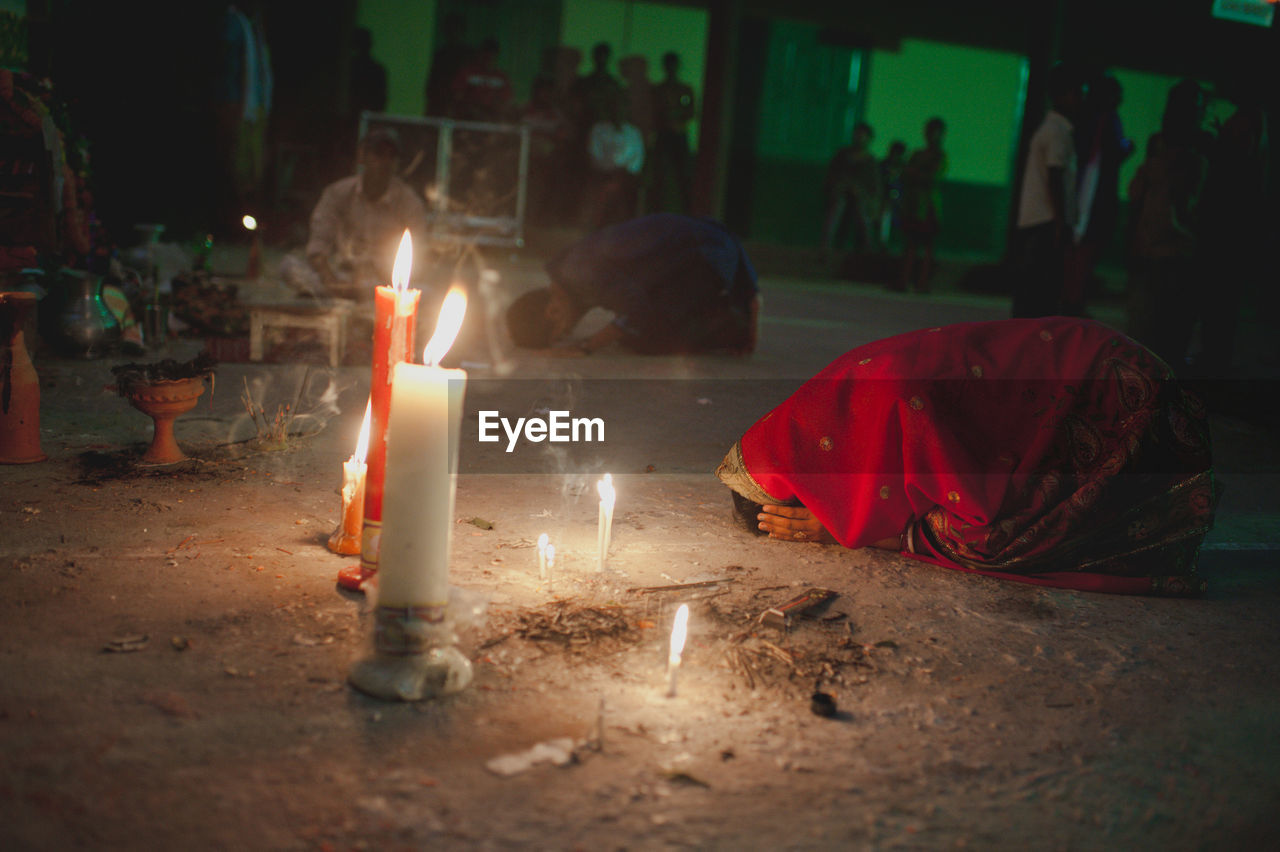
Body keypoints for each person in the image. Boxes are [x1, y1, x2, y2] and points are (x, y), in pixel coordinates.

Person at [717, 317, 1217, 597]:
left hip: (1137, 404)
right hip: (1109, 358)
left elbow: (976, 522)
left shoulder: (898, 401)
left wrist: (857, 532)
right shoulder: (842, 390)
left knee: (1003, 542)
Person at [506, 213, 759, 356]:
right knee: (630, 335)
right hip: (715, 244)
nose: (572, 329)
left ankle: (729, 326)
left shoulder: (580, 274)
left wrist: (585, 347)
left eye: (563, 330)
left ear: (553, 311)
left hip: (705, 257)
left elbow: (636, 311)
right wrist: (749, 289)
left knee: (648, 338)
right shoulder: (567, 267)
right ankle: (729, 312)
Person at [279, 127, 429, 300]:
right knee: (289, 267)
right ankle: (338, 297)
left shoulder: (408, 202)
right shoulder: (338, 193)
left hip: (384, 284)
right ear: (362, 156)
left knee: (427, 293)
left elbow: (418, 249)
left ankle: (351, 298)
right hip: (340, 278)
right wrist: (331, 281)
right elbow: (318, 245)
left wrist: (385, 281)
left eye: (392, 156)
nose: (385, 161)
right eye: (379, 153)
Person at [1125, 80, 1212, 374]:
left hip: (1170, 250)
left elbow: (1140, 195)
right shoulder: (1182, 150)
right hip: (1165, 250)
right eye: (1196, 107)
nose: (1199, 113)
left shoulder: (1188, 150)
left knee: (1156, 337)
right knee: (1158, 337)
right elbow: (1140, 194)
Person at [1011, 62, 1084, 318]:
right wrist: (1060, 221)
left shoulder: (1051, 128)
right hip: (1046, 220)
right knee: (1040, 292)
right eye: (1077, 93)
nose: (1080, 100)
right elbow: (1055, 175)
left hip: (1041, 219)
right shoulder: (1057, 131)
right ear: (1063, 95)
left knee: (1032, 290)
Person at [1064, 73, 1132, 317]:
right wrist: (1127, 148)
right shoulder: (1108, 120)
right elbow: (1111, 154)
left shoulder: (1084, 120)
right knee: (1085, 251)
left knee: (1079, 251)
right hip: (1093, 198)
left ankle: (1073, 301)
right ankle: (1074, 302)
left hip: (1084, 196)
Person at [898, 118, 948, 293]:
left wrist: (915, 173)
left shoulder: (940, 156)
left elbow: (933, 178)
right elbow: (905, 174)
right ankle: (904, 280)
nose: (931, 135)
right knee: (911, 243)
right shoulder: (917, 154)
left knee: (927, 245)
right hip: (914, 205)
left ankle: (922, 282)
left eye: (935, 131)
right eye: (929, 130)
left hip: (929, 207)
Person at [582, 95, 645, 229]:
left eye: (622, 107)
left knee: (626, 187)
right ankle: (600, 226)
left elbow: (637, 158)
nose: (618, 111)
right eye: (615, 107)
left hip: (627, 176)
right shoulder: (599, 130)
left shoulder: (633, 132)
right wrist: (610, 171)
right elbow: (595, 155)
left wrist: (624, 173)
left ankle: (627, 228)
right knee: (608, 187)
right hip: (604, 174)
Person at [822, 122, 881, 257]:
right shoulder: (842, 155)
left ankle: (868, 250)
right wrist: (843, 186)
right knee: (836, 208)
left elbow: (875, 189)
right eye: (857, 135)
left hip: (861, 200)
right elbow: (831, 178)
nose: (859, 139)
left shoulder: (871, 162)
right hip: (840, 196)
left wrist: (864, 196)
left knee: (862, 212)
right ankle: (825, 247)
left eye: (863, 136)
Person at [650, 51, 696, 214]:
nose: (671, 69)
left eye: (673, 65)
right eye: (668, 65)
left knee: (684, 176)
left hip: (679, 135)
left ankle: (687, 212)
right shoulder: (658, 89)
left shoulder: (685, 89)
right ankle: (657, 211)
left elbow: (691, 112)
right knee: (659, 176)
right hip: (663, 135)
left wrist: (674, 113)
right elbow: (654, 112)